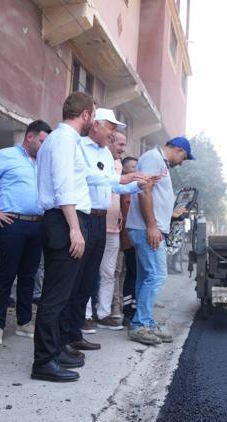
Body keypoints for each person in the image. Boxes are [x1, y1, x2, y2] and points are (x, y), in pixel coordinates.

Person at [32, 92, 97, 382]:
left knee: (62, 293)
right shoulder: (62, 140)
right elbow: (62, 187)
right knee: (55, 297)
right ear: (85, 114)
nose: (92, 120)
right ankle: (43, 362)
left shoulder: (65, 140)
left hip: (64, 218)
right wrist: (74, 228)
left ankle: (55, 350)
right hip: (63, 219)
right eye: (92, 115)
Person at [0, 120, 51, 347]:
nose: (44, 146)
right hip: (11, 223)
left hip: (37, 224)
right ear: (29, 137)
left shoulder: (43, 161)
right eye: (42, 141)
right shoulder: (6, 155)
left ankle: (24, 322)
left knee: (29, 276)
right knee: (6, 275)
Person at [126, 137, 195, 345]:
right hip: (146, 228)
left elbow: (155, 196)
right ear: (179, 150)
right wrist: (152, 226)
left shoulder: (159, 162)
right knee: (157, 274)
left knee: (146, 276)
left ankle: (143, 321)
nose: (182, 162)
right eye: (184, 157)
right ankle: (140, 325)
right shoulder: (153, 158)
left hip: (147, 227)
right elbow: (144, 191)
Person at [84, 123, 145, 331]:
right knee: (88, 271)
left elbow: (118, 188)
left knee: (109, 272)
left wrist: (140, 185)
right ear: (109, 141)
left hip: (112, 227)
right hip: (91, 220)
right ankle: (85, 315)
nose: (122, 148)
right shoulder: (93, 156)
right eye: (120, 143)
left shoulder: (117, 164)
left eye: (124, 145)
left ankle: (103, 314)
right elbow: (97, 182)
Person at [119, 157, 139, 324]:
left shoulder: (138, 189)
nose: (134, 169)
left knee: (136, 274)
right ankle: (128, 311)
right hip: (129, 238)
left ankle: (133, 308)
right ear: (124, 170)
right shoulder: (123, 189)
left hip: (139, 238)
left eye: (136, 166)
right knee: (132, 274)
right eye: (131, 167)